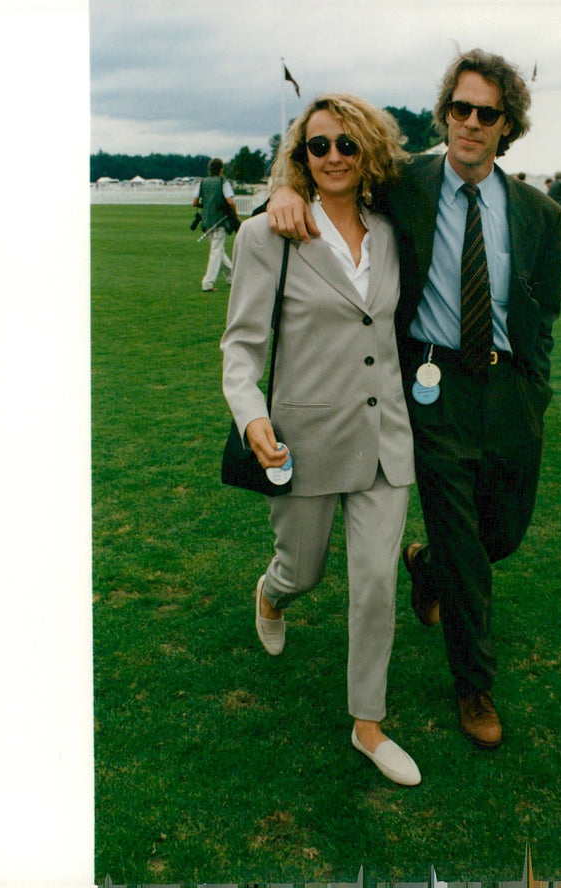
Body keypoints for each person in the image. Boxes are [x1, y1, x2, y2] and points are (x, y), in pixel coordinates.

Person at [267, 48, 561, 750]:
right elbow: (328, 175)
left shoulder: (541, 215)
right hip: (429, 388)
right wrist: (283, 186)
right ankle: (474, 685)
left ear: (506, 126)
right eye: (458, 108)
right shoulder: (405, 183)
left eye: (484, 113)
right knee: (466, 541)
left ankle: (425, 567)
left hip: (510, 388)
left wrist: (538, 391)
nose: (468, 122)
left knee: (502, 536)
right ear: (446, 113)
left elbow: (542, 313)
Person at [221, 93, 421, 785]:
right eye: (317, 146)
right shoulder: (266, 235)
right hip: (301, 443)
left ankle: (368, 725)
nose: (333, 156)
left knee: (375, 585)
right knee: (304, 570)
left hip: (384, 440)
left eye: (346, 144)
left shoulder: (392, 231)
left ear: (368, 150)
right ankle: (272, 594)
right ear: (300, 156)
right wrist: (251, 417)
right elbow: (242, 348)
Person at [193, 158, 239, 292]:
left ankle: (232, 277)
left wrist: (206, 206)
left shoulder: (203, 182)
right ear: (221, 169)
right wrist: (235, 215)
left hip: (207, 221)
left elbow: (195, 202)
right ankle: (207, 283)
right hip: (219, 220)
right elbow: (230, 201)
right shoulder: (222, 182)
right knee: (216, 251)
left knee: (218, 250)